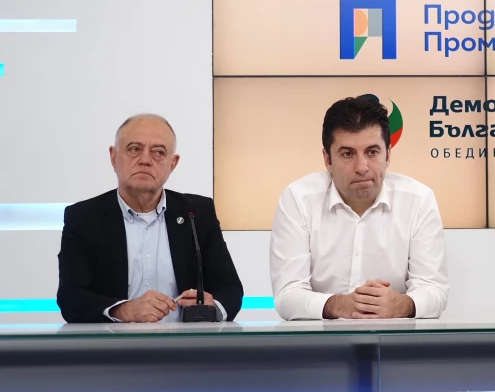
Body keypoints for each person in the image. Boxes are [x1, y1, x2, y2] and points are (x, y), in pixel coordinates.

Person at [270, 95, 448, 320]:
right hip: (320, 339)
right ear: (327, 159)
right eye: (348, 154)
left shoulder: (418, 200)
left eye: (372, 152)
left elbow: (434, 290)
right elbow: (287, 294)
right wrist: (339, 305)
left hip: (395, 338)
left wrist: (401, 305)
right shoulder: (298, 199)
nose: (362, 167)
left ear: (388, 154)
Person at [57, 114, 243, 323]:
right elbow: (71, 299)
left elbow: (230, 290)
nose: (145, 160)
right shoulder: (83, 218)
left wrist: (213, 307)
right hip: (114, 342)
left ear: (172, 164)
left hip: (186, 342)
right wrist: (123, 310)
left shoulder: (197, 214)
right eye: (134, 149)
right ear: (114, 157)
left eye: (158, 152)